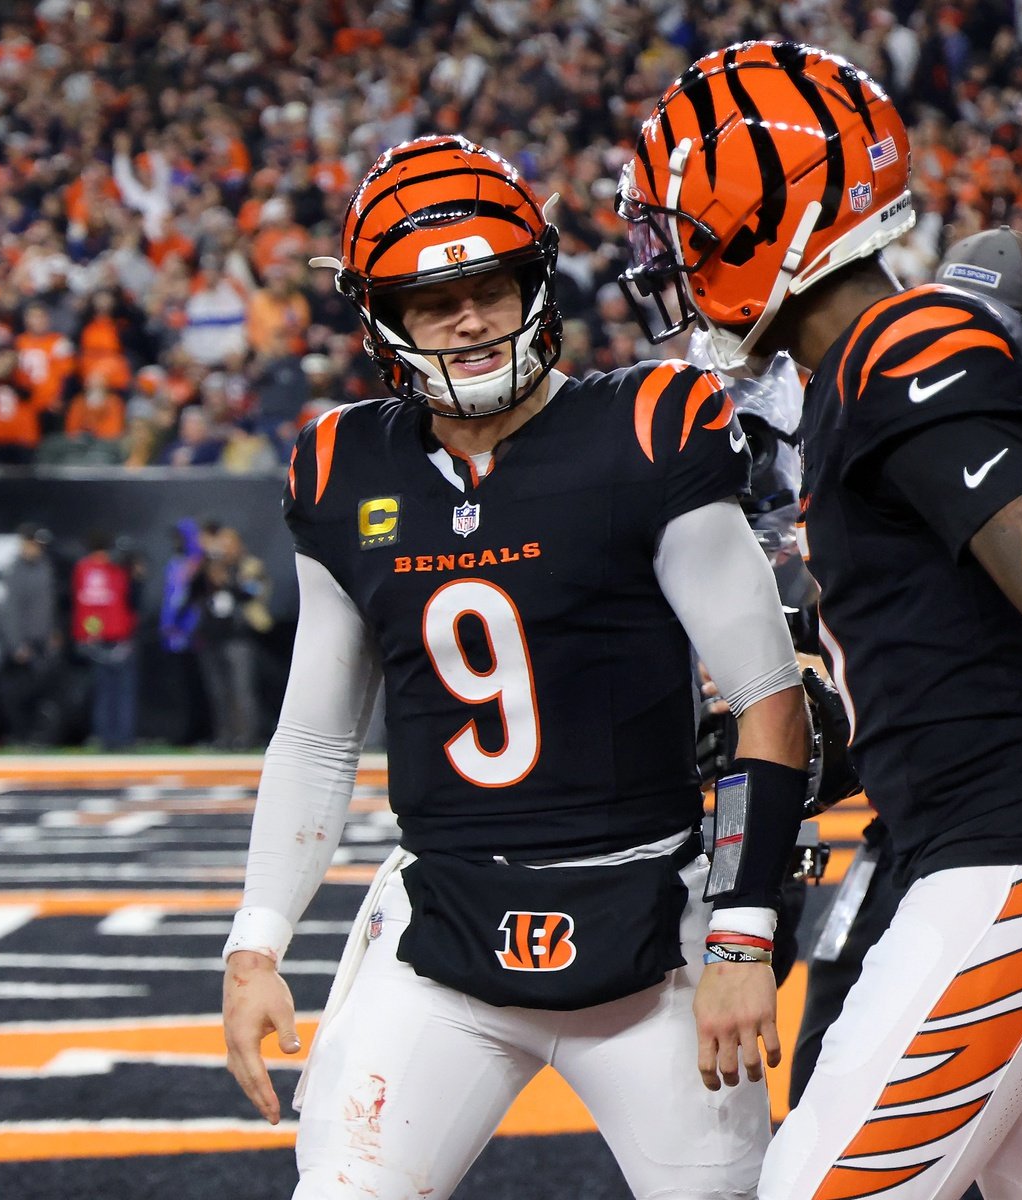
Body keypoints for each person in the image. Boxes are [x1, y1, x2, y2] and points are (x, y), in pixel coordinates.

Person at [620, 44, 1022, 1199]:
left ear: (764, 217)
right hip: (1012, 857)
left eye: (685, 228)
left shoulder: (899, 349)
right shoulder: (854, 380)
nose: (670, 261)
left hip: (1013, 866)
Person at [220, 134, 809, 1200]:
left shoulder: (646, 426)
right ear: (378, 315)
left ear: (533, 280)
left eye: (490, 285)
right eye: (431, 298)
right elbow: (314, 734)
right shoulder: (342, 465)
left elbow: (770, 701)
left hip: (652, 926)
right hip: (444, 927)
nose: (471, 318)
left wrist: (740, 940)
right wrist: (255, 945)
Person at [785, 225, 1022, 1105]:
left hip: (1015, 827)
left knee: (878, 1108)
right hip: (925, 814)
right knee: (833, 1048)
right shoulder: (915, 426)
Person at [189, 522, 269, 749]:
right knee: (217, 691)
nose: (224, 549)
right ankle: (224, 736)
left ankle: (247, 737)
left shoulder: (249, 566)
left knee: (241, 690)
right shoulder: (207, 568)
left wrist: (229, 581)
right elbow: (192, 591)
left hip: (238, 636)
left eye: (228, 544)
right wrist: (204, 569)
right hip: (211, 637)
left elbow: (253, 593)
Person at [71, 533, 138, 749]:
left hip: (102, 635)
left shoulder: (84, 569)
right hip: (117, 635)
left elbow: (85, 606)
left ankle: (109, 738)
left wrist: (88, 633)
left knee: (107, 691)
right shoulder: (114, 569)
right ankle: (118, 738)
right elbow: (127, 602)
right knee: (117, 691)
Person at [0, 524, 61, 744]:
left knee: (44, 694)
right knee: (19, 695)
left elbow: (48, 604)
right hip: (23, 643)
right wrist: (16, 644)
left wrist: (53, 631)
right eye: (34, 544)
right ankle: (20, 737)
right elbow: (9, 611)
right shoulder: (14, 570)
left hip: (43, 641)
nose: (37, 549)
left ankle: (39, 738)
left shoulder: (45, 566)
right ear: (25, 543)